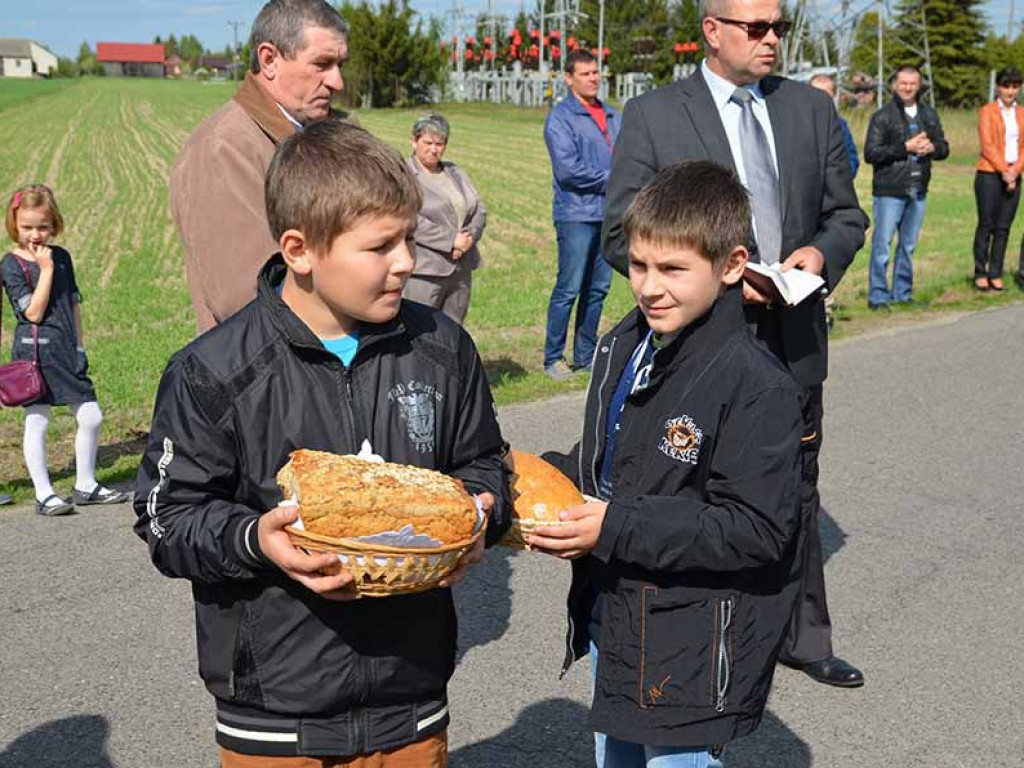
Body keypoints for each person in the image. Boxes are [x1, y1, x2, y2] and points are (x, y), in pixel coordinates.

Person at [134, 121, 510, 767]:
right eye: (380, 246)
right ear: (300, 250)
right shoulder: (213, 372)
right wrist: (258, 541)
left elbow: (484, 463)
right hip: (276, 721)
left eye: (410, 238)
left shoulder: (443, 350)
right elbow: (166, 518)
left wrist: (483, 515)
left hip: (411, 703)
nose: (407, 262)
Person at [601, 0, 867, 689]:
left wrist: (818, 255)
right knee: (693, 492)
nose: (773, 39)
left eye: (779, 26)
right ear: (712, 31)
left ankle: (804, 637)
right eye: (758, 28)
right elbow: (619, 234)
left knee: (797, 489)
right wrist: (721, 283)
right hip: (699, 347)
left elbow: (847, 214)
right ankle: (717, 633)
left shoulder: (811, 111)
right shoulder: (656, 115)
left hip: (792, 337)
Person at [531, 162, 803, 767]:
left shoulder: (756, 385)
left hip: (691, 645)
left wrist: (615, 525)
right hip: (615, 616)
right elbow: (612, 466)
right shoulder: (626, 344)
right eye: (638, 266)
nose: (650, 287)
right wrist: (526, 475)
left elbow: (756, 529)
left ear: (732, 266)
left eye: (674, 269)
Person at [170, 0, 348, 333]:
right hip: (270, 372)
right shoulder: (222, 148)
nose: (337, 81)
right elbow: (246, 297)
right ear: (269, 60)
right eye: (322, 64)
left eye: (340, 64)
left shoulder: (328, 130)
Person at [1, 186, 128, 516]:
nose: (35, 235)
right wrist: (45, 271)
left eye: (42, 227)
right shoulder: (12, 264)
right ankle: (44, 494)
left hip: (66, 350)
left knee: (91, 416)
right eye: (27, 227)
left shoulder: (62, 256)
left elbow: (73, 304)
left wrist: (80, 346)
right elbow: (33, 313)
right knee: (38, 420)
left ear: (54, 223)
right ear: (15, 224)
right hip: (35, 354)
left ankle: (85, 484)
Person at [542, 48, 620, 379]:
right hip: (576, 215)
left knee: (598, 289)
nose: (593, 78)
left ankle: (586, 355)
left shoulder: (615, 115)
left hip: (611, 214)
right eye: (586, 73)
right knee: (569, 287)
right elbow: (568, 171)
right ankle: (553, 358)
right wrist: (616, 177)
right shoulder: (560, 118)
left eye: (596, 72)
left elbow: (630, 155)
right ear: (569, 78)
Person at [864, 64, 949, 309]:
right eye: (903, 83)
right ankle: (878, 296)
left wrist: (933, 148)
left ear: (919, 85)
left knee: (908, 246)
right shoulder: (883, 116)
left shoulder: (929, 115)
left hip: (918, 188)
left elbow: (944, 147)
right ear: (894, 85)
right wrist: (906, 148)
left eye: (912, 83)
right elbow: (871, 153)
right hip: (889, 191)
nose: (908, 87)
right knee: (882, 247)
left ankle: (902, 293)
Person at [403, 113, 487, 324]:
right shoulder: (403, 173)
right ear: (413, 141)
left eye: (440, 144)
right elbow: (406, 216)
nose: (434, 149)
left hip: (461, 267)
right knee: (419, 330)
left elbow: (479, 208)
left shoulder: (454, 171)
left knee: (453, 331)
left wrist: (468, 238)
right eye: (428, 142)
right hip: (425, 269)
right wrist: (450, 240)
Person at [972, 67, 1024, 292]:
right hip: (989, 174)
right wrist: (1005, 171)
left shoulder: (1022, 113)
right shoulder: (987, 111)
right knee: (986, 225)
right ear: (998, 87)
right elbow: (988, 146)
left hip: (1014, 174)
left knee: (1004, 227)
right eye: (1006, 86)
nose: (1010, 91)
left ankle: (996, 271)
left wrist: (1015, 171)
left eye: (1014, 86)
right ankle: (980, 272)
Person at [809, 73, 859, 178]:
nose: (820, 97)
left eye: (826, 93)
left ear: (833, 95)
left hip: (834, 187)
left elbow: (851, 159)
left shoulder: (840, 125)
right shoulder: (796, 123)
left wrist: (840, 178)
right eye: (816, 93)